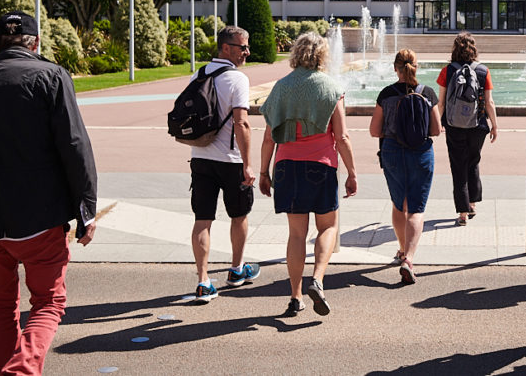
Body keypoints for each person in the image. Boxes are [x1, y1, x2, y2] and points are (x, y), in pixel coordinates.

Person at [0, 11, 98, 375]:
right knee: (48, 302)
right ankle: (21, 370)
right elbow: (75, 146)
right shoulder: (51, 76)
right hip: (39, 215)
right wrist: (86, 209)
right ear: (36, 43)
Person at [258, 33, 357, 317]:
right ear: (322, 56)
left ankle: (295, 295)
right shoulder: (331, 87)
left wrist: (264, 172)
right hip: (321, 165)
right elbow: (343, 137)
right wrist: (352, 172)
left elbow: (268, 138)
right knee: (327, 227)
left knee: (296, 234)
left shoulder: (281, 87)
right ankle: (317, 279)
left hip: (287, 167)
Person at [188, 25, 260, 301]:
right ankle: (236, 269)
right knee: (239, 216)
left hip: (201, 156)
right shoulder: (237, 79)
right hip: (230, 160)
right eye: (243, 47)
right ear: (227, 48)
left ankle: (203, 281)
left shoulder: (200, 73)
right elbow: (241, 122)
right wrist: (248, 163)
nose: (247, 52)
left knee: (202, 219)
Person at [369, 49, 442, 284]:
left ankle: (402, 250)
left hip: (392, 151)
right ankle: (409, 258)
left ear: (395, 68)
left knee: (399, 203)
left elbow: (373, 130)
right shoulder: (427, 92)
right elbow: (436, 130)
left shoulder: (386, 94)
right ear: (416, 67)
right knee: (417, 207)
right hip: (420, 152)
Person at [436, 32, 498, 226]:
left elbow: (441, 103)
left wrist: (437, 123)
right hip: (478, 125)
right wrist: (494, 125)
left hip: (454, 126)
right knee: (473, 161)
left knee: (458, 166)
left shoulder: (447, 71)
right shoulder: (483, 71)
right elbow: (489, 102)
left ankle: (462, 213)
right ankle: (472, 204)